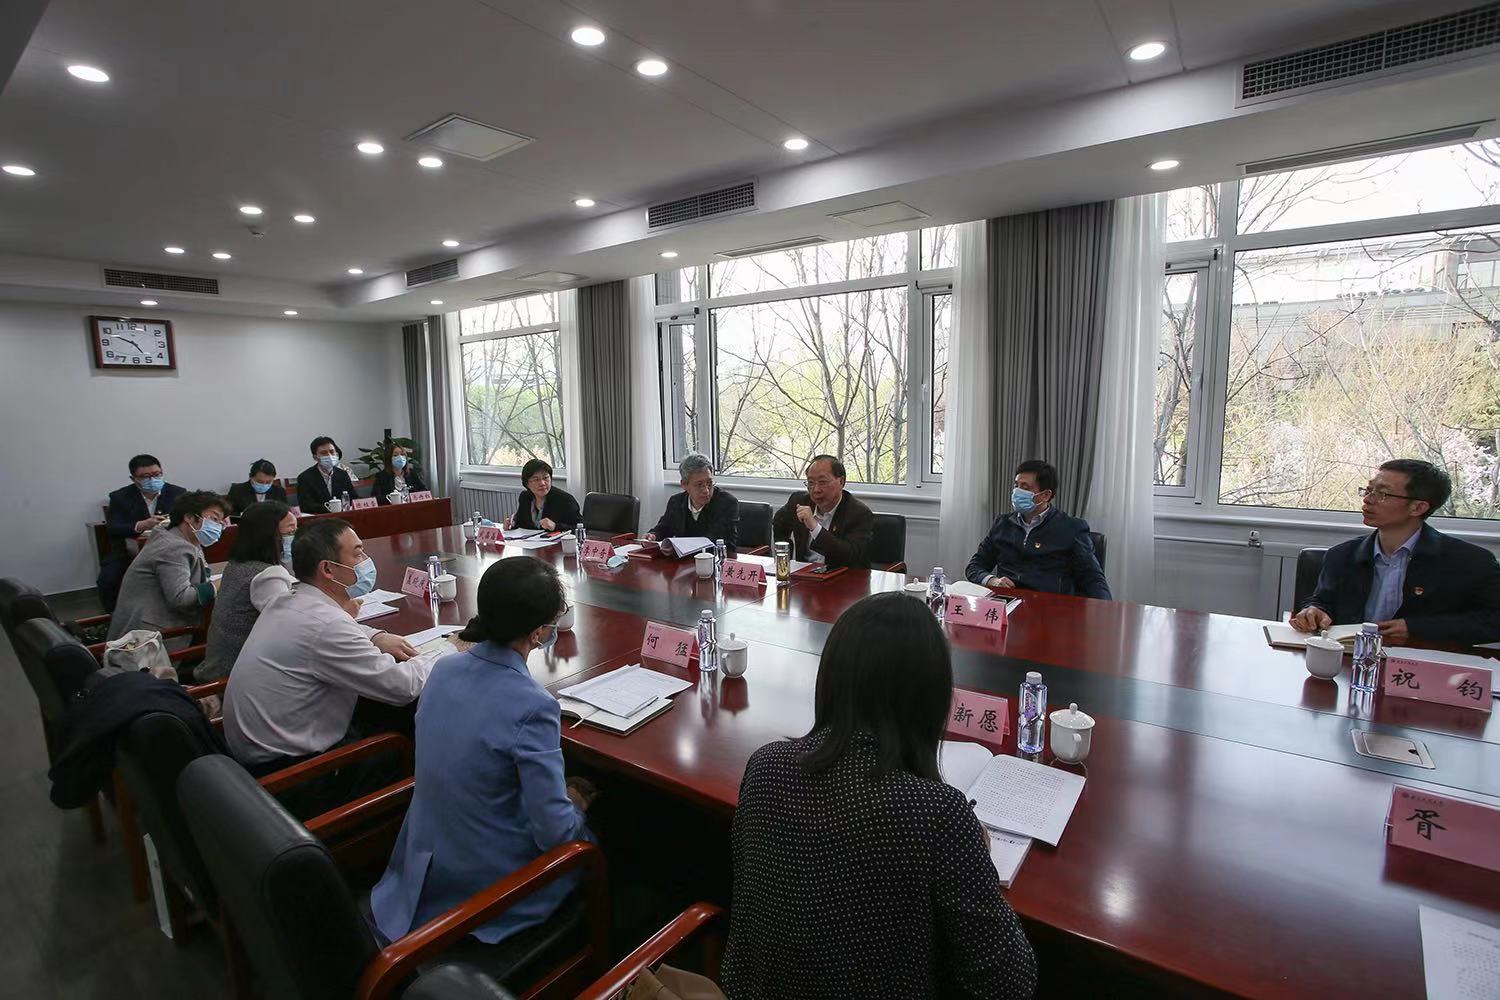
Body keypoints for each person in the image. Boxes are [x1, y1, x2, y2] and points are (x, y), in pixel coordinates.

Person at [722, 592, 1036, 999]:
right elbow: (1009, 983)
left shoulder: (765, 765)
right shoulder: (937, 813)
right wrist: (973, 854)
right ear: (930, 698)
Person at [371, 557, 594, 951]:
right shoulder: (533, 704)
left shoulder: (443, 670)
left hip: (421, 864)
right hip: (483, 888)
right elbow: (554, 832)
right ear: (540, 632)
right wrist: (574, 804)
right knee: (594, 833)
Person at [222, 519, 435, 810]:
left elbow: (322, 629)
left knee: (386, 708)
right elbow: (403, 686)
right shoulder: (326, 625)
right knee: (415, 717)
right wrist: (446, 648)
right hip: (298, 778)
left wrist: (377, 635)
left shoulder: (289, 600)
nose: (366, 561)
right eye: (358, 554)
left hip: (256, 758)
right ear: (328, 569)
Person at [1291, 459, 1500, 646]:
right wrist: (1314, 611)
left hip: (1426, 669)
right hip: (1351, 662)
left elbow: (1493, 621)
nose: (1368, 499)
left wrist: (1416, 629)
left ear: (1418, 507)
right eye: (1368, 490)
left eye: (1382, 493)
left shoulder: (1470, 562)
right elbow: (1323, 601)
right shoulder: (1342, 555)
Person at [965, 460, 1110, 599]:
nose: (1017, 492)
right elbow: (974, 566)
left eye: (1025, 488)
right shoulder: (1002, 524)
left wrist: (1104, 615)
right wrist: (991, 580)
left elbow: (1093, 580)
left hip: (1050, 609)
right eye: (1016, 485)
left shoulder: (1071, 529)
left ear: (1046, 495)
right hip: (1007, 604)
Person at [107, 490, 228, 641]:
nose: (218, 527)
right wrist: (220, 583)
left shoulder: (180, 536)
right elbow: (182, 598)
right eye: (214, 519)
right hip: (152, 637)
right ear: (189, 517)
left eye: (221, 521)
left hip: (154, 624)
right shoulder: (173, 548)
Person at [197, 502, 296, 682]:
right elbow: (292, 630)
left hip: (217, 668)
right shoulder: (268, 574)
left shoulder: (235, 565)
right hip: (238, 679)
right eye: (290, 533)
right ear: (267, 536)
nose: (294, 538)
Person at [97, 454, 186, 610]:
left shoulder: (177, 492)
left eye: (156, 474)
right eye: (145, 477)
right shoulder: (120, 497)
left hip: (170, 548)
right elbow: (113, 528)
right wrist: (142, 525)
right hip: (129, 550)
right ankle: (113, 618)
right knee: (108, 579)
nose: (153, 480)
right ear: (134, 479)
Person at [771, 455, 875, 568]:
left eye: (822, 482)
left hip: (841, 578)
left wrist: (815, 527)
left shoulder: (859, 513)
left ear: (841, 481)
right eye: (810, 483)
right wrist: (785, 559)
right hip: (805, 576)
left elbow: (850, 556)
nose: (816, 490)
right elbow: (778, 524)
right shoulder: (799, 502)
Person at [644, 453, 740, 548]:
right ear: (684, 485)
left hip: (712, 560)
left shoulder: (727, 503)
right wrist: (653, 535)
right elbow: (663, 528)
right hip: (682, 561)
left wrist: (681, 546)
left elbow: (726, 543)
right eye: (699, 485)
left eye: (709, 483)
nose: (706, 490)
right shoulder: (676, 502)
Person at [507, 458, 581, 531]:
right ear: (527, 483)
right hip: (531, 542)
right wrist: (511, 525)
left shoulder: (565, 500)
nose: (542, 483)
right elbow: (520, 524)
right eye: (536, 479)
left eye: (546, 478)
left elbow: (581, 527)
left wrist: (556, 526)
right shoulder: (525, 497)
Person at [294, 436, 356, 511]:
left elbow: (353, 497)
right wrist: (331, 508)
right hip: (319, 518)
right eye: (324, 453)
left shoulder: (342, 474)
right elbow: (306, 505)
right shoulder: (305, 478)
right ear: (315, 457)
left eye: (332, 451)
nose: (329, 455)